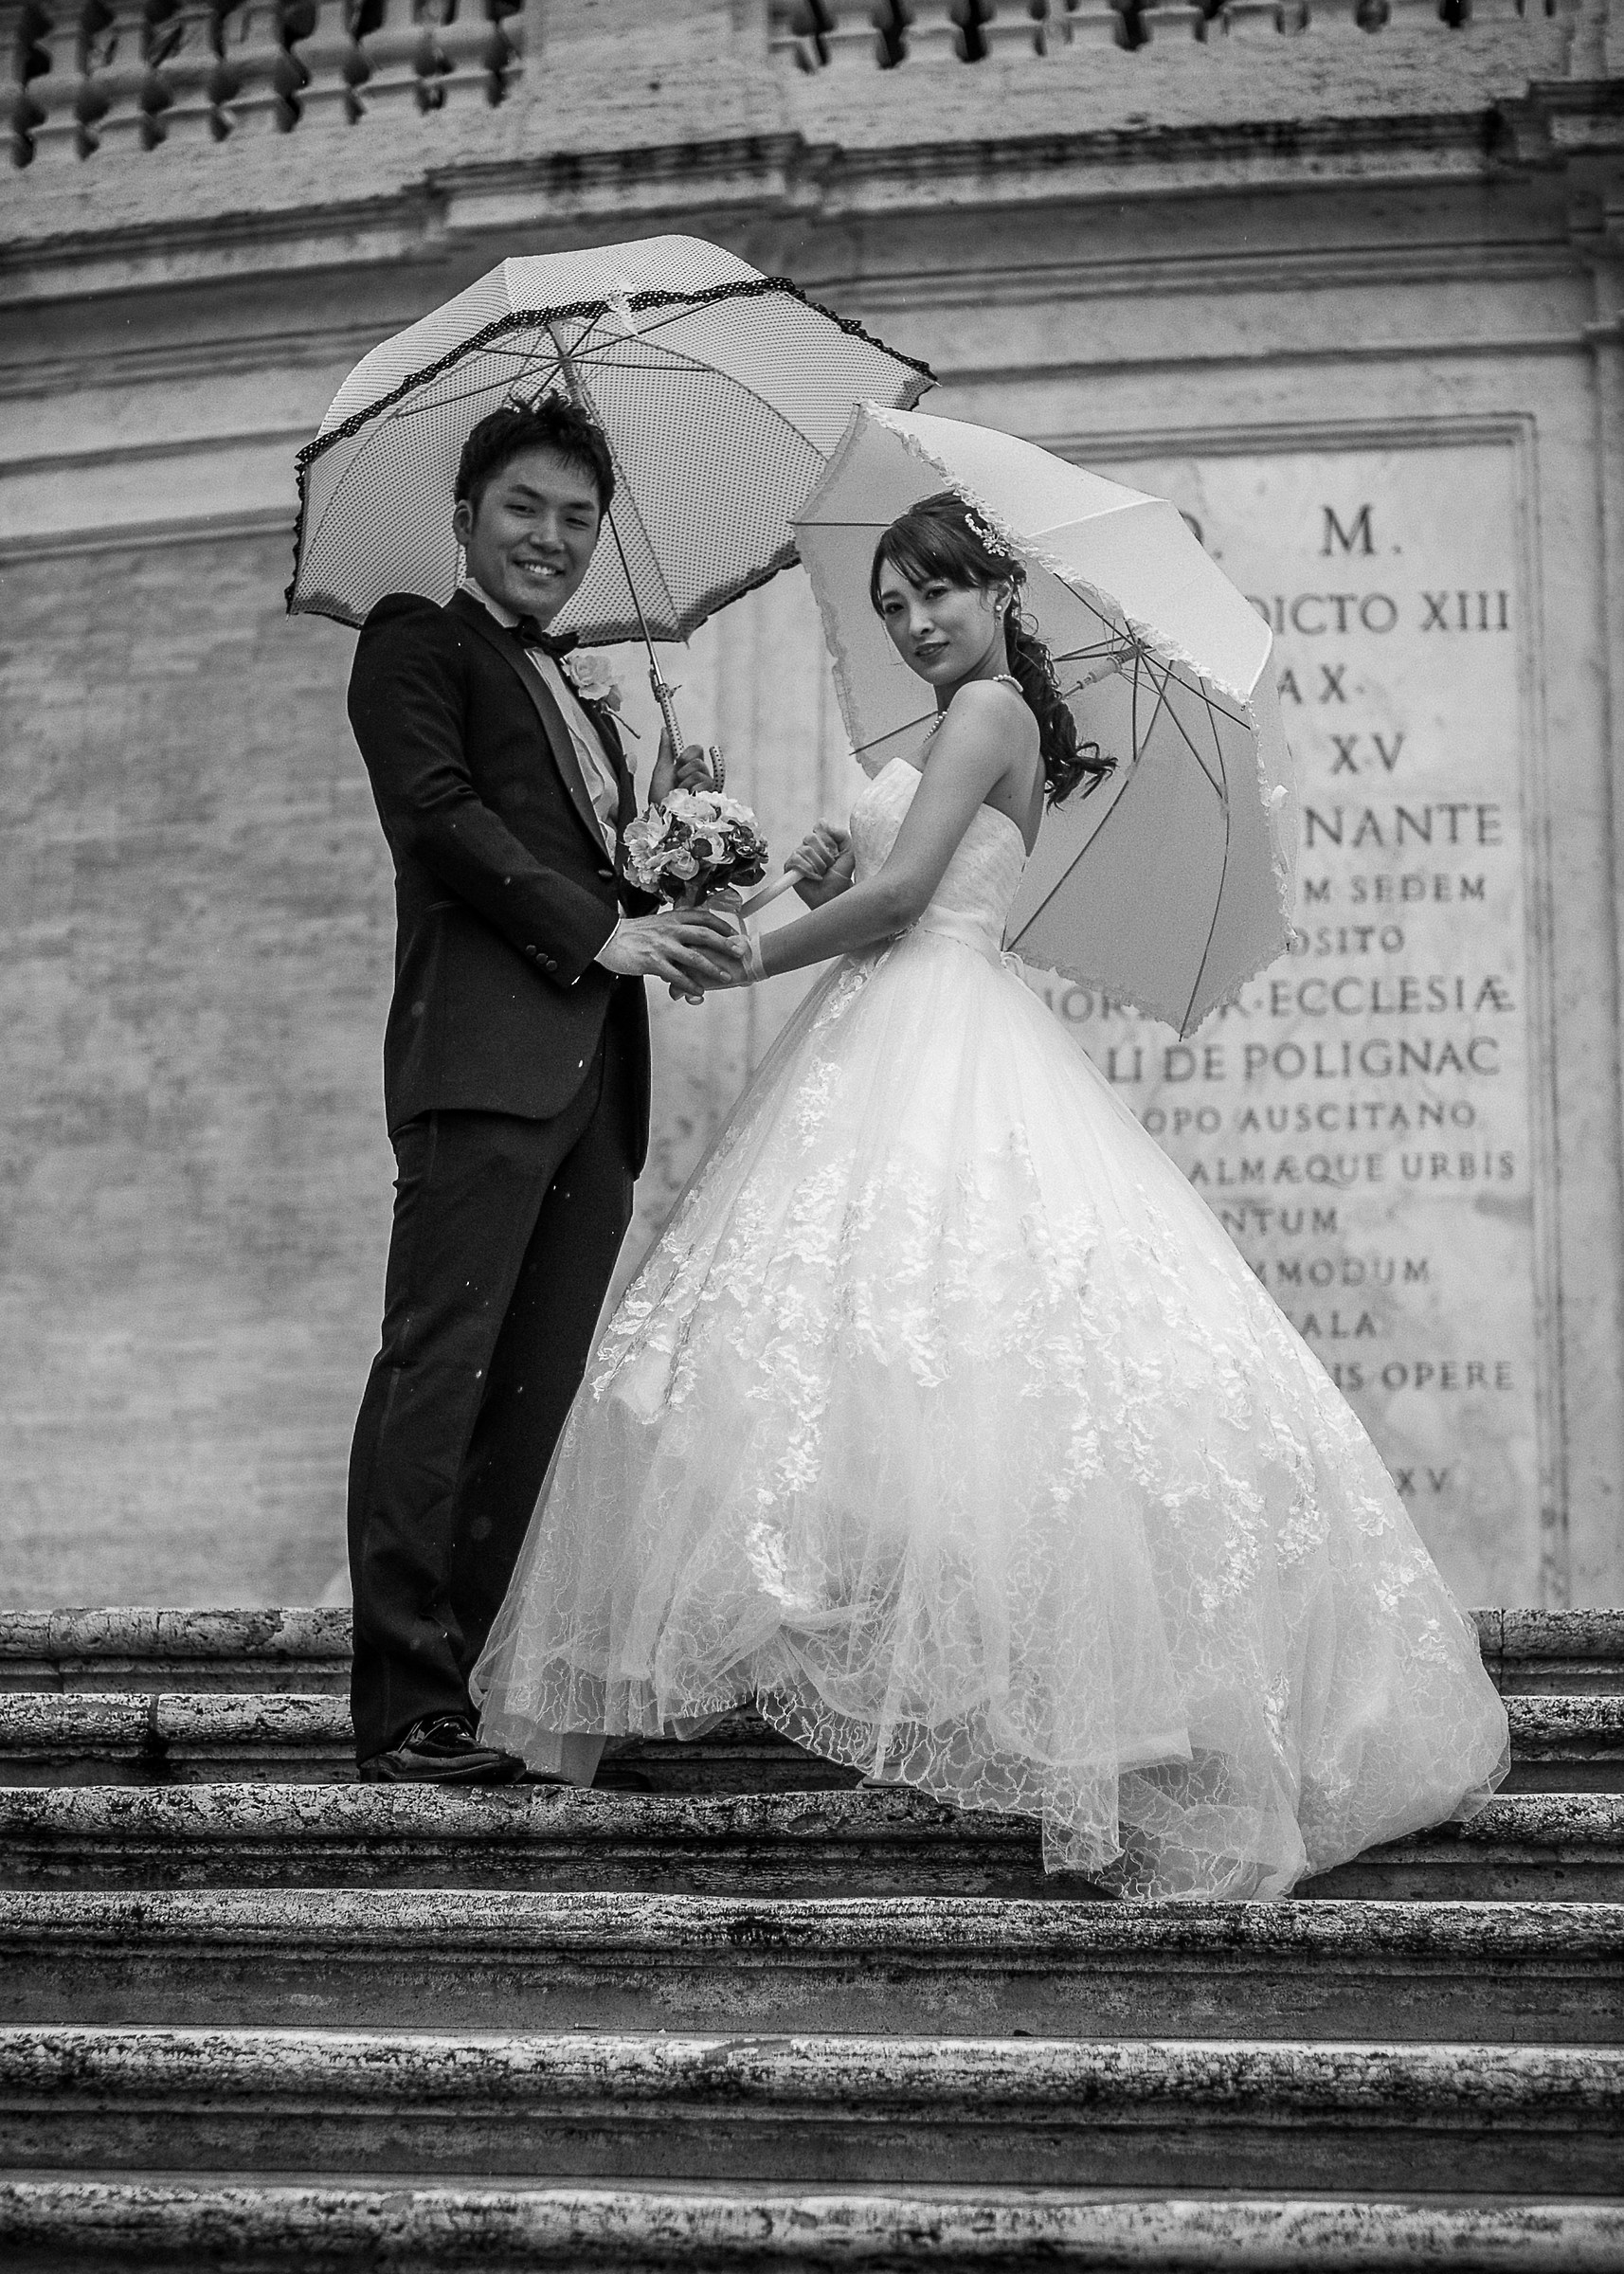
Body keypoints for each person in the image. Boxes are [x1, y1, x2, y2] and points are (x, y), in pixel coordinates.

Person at [472, 491, 1508, 1897]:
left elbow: (907, 905)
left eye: (935, 595)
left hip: (930, 1019)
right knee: (862, 1349)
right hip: (888, 1023)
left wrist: (741, 955)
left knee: (929, 1338)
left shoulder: (987, 714)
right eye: (893, 604)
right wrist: (805, 872)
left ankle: (1022, 1690)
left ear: (993, 591)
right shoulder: (953, 729)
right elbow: (888, 876)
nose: (910, 623)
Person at [345, 396, 744, 1784]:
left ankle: (475, 1679)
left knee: (533, 1389)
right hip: (482, 1067)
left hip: (595, 1086)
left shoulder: (577, 684)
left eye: (578, 519)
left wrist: (679, 853)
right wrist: (596, 930)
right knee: (438, 1372)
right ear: (466, 520)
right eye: (525, 508)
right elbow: (442, 819)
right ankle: (404, 1706)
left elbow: (603, 874)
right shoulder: (414, 642)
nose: (553, 539)